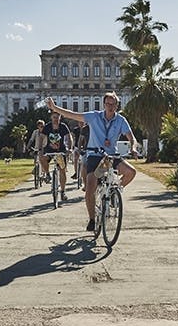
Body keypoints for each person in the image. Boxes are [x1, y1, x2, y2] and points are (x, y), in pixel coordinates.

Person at [45, 93, 138, 232]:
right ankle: (92, 219)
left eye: (113, 104)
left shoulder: (121, 120)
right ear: (104, 104)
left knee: (131, 172)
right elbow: (72, 114)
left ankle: (114, 191)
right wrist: (55, 108)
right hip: (96, 155)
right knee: (90, 188)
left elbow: (132, 138)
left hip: (111, 156)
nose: (110, 107)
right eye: (108, 104)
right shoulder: (94, 116)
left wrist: (133, 148)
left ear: (117, 105)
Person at [39, 111, 74, 201]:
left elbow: (69, 137)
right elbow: (41, 138)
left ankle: (62, 191)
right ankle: (47, 174)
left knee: (62, 170)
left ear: (60, 118)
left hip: (60, 151)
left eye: (57, 117)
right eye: (54, 117)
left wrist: (69, 148)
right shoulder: (47, 127)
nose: (56, 119)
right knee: (42, 159)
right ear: (51, 118)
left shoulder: (63, 126)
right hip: (49, 150)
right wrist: (40, 150)